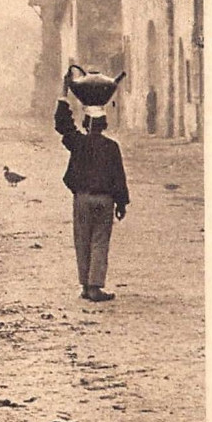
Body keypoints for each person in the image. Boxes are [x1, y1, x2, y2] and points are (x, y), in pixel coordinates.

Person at [55, 88, 130, 303]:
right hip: (105, 200)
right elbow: (119, 177)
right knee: (99, 241)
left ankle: (86, 287)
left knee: (82, 240)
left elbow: (62, 124)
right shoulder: (112, 147)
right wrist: (121, 204)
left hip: (82, 199)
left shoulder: (78, 143)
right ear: (104, 124)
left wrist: (63, 94)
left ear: (86, 123)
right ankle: (95, 286)